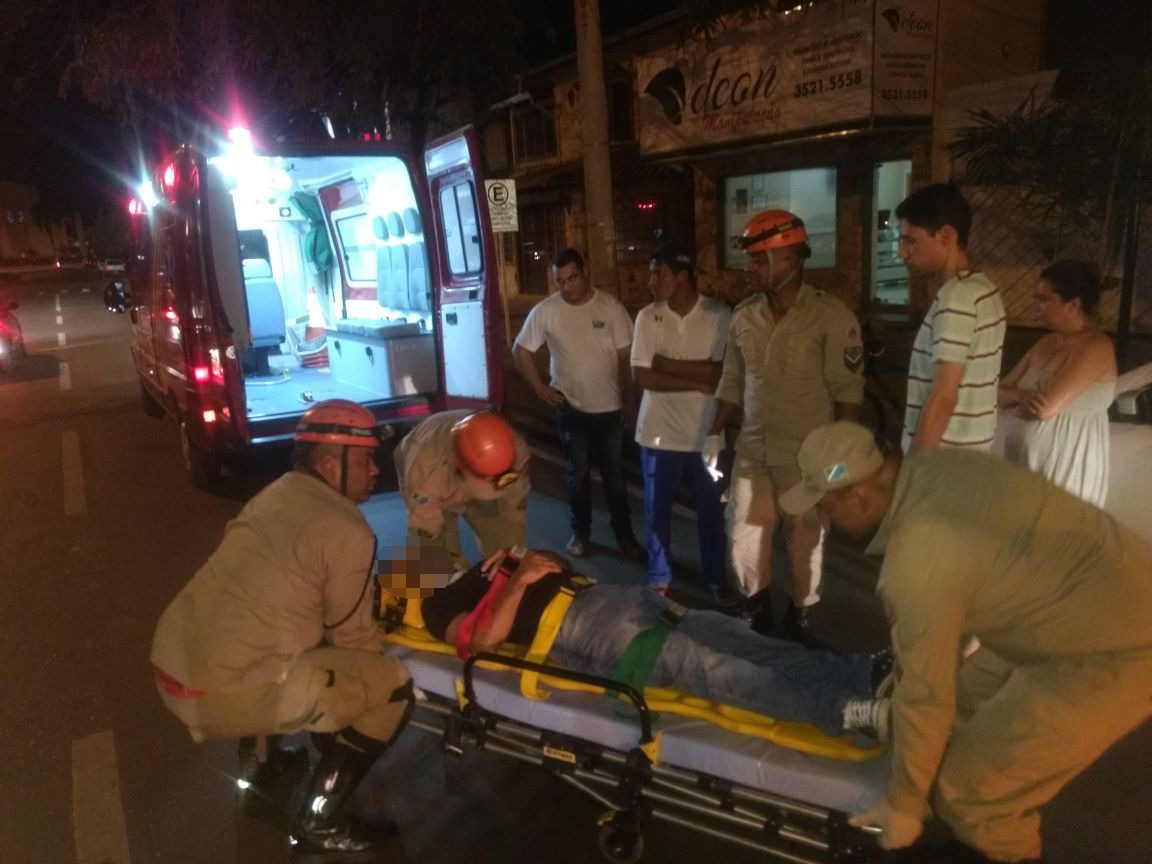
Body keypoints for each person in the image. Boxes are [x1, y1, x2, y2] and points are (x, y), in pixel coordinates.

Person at [779, 421, 1152, 864]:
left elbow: (927, 694)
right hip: (1083, 603)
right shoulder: (938, 467)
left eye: (825, 508)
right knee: (958, 717)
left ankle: (992, 839)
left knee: (973, 792)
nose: (822, 519)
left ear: (859, 496)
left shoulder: (917, 561)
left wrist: (903, 804)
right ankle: (972, 837)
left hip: (1116, 651)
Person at [151, 400, 415, 854]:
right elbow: (354, 641)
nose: (376, 470)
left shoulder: (274, 494)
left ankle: (261, 767)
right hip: (219, 691)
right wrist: (345, 711)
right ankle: (320, 818)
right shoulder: (348, 529)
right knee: (392, 688)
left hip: (171, 662)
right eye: (367, 460)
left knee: (270, 645)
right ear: (330, 465)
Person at [420, 548, 894, 741]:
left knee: (741, 639)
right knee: (709, 667)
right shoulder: (438, 605)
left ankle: (855, 673)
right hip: (581, 631)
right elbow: (481, 644)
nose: (438, 558)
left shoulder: (484, 565)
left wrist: (528, 560)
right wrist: (519, 580)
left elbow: (560, 568)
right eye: (419, 564)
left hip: (611, 598)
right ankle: (841, 710)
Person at [703, 210, 865, 641]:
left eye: (759, 260)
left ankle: (800, 615)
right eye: (750, 259)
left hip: (806, 457)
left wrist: (840, 461)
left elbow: (848, 392)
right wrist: (715, 433)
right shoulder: (743, 316)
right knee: (743, 533)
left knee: (805, 541)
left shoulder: (831, 318)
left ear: (789, 259)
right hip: (753, 451)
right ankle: (755, 610)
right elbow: (732, 379)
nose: (749, 268)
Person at [513, 248, 643, 560]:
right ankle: (581, 533)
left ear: (585, 273)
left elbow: (626, 359)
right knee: (577, 475)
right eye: (559, 281)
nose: (566, 286)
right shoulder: (547, 310)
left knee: (614, 477)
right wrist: (540, 389)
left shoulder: (609, 307)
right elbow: (521, 350)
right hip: (571, 409)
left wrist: (630, 401)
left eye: (572, 278)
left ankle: (624, 535)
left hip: (610, 409)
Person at [631, 241, 730, 597]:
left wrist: (666, 364)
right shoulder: (648, 317)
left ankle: (716, 577)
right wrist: (700, 379)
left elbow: (723, 374)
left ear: (682, 277)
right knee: (657, 513)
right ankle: (659, 577)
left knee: (712, 512)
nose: (651, 282)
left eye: (658, 274)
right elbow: (642, 376)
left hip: (706, 435)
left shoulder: (719, 315)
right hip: (657, 434)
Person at [895, 183, 1007, 452]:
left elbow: (943, 398)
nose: (902, 252)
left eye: (910, 240)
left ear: (946, 236)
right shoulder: (985, 290)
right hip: (969, 457)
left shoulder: (956, 297)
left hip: (943, 461)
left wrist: (916, 468)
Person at [996, 258, 1117, 507]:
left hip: (1066, 472)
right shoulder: (1046, 343)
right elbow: (993, 393)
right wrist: (1020, 397)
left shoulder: (1096, 347)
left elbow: (1045, 408)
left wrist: (1013, 398)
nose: (1035, 307)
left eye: (1044, 300)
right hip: (1024, 472)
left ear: (1073, 305)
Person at [394, 409, 530, 571]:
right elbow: (426, 531)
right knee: (439, 564)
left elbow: (514, 507)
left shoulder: (515, 450)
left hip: (466, 471)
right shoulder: (424, 473)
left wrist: (511, 552)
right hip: (433, 473)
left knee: (508, 556)